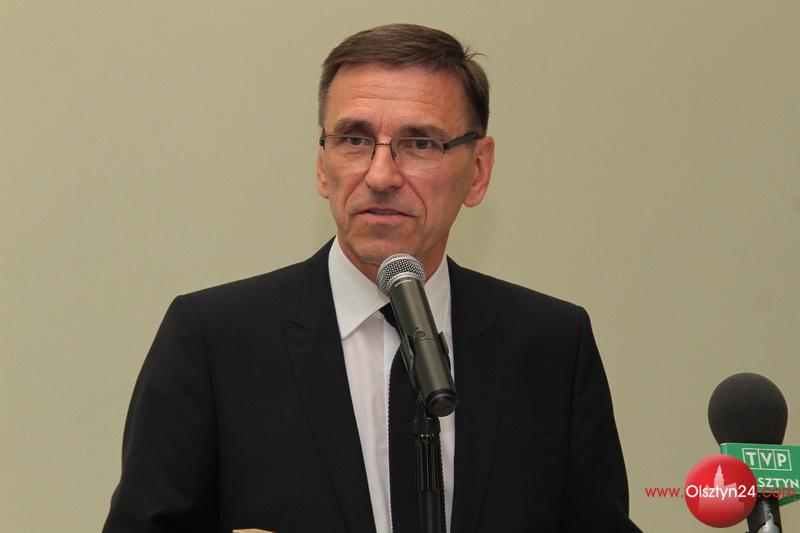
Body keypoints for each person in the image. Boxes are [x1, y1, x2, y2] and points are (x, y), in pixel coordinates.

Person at [103, 23, 640, 533]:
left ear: (478, 170)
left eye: (420, 143)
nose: (381, 175)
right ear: (322, 165)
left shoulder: (551, 344)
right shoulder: (213, 340)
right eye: (354, 139)